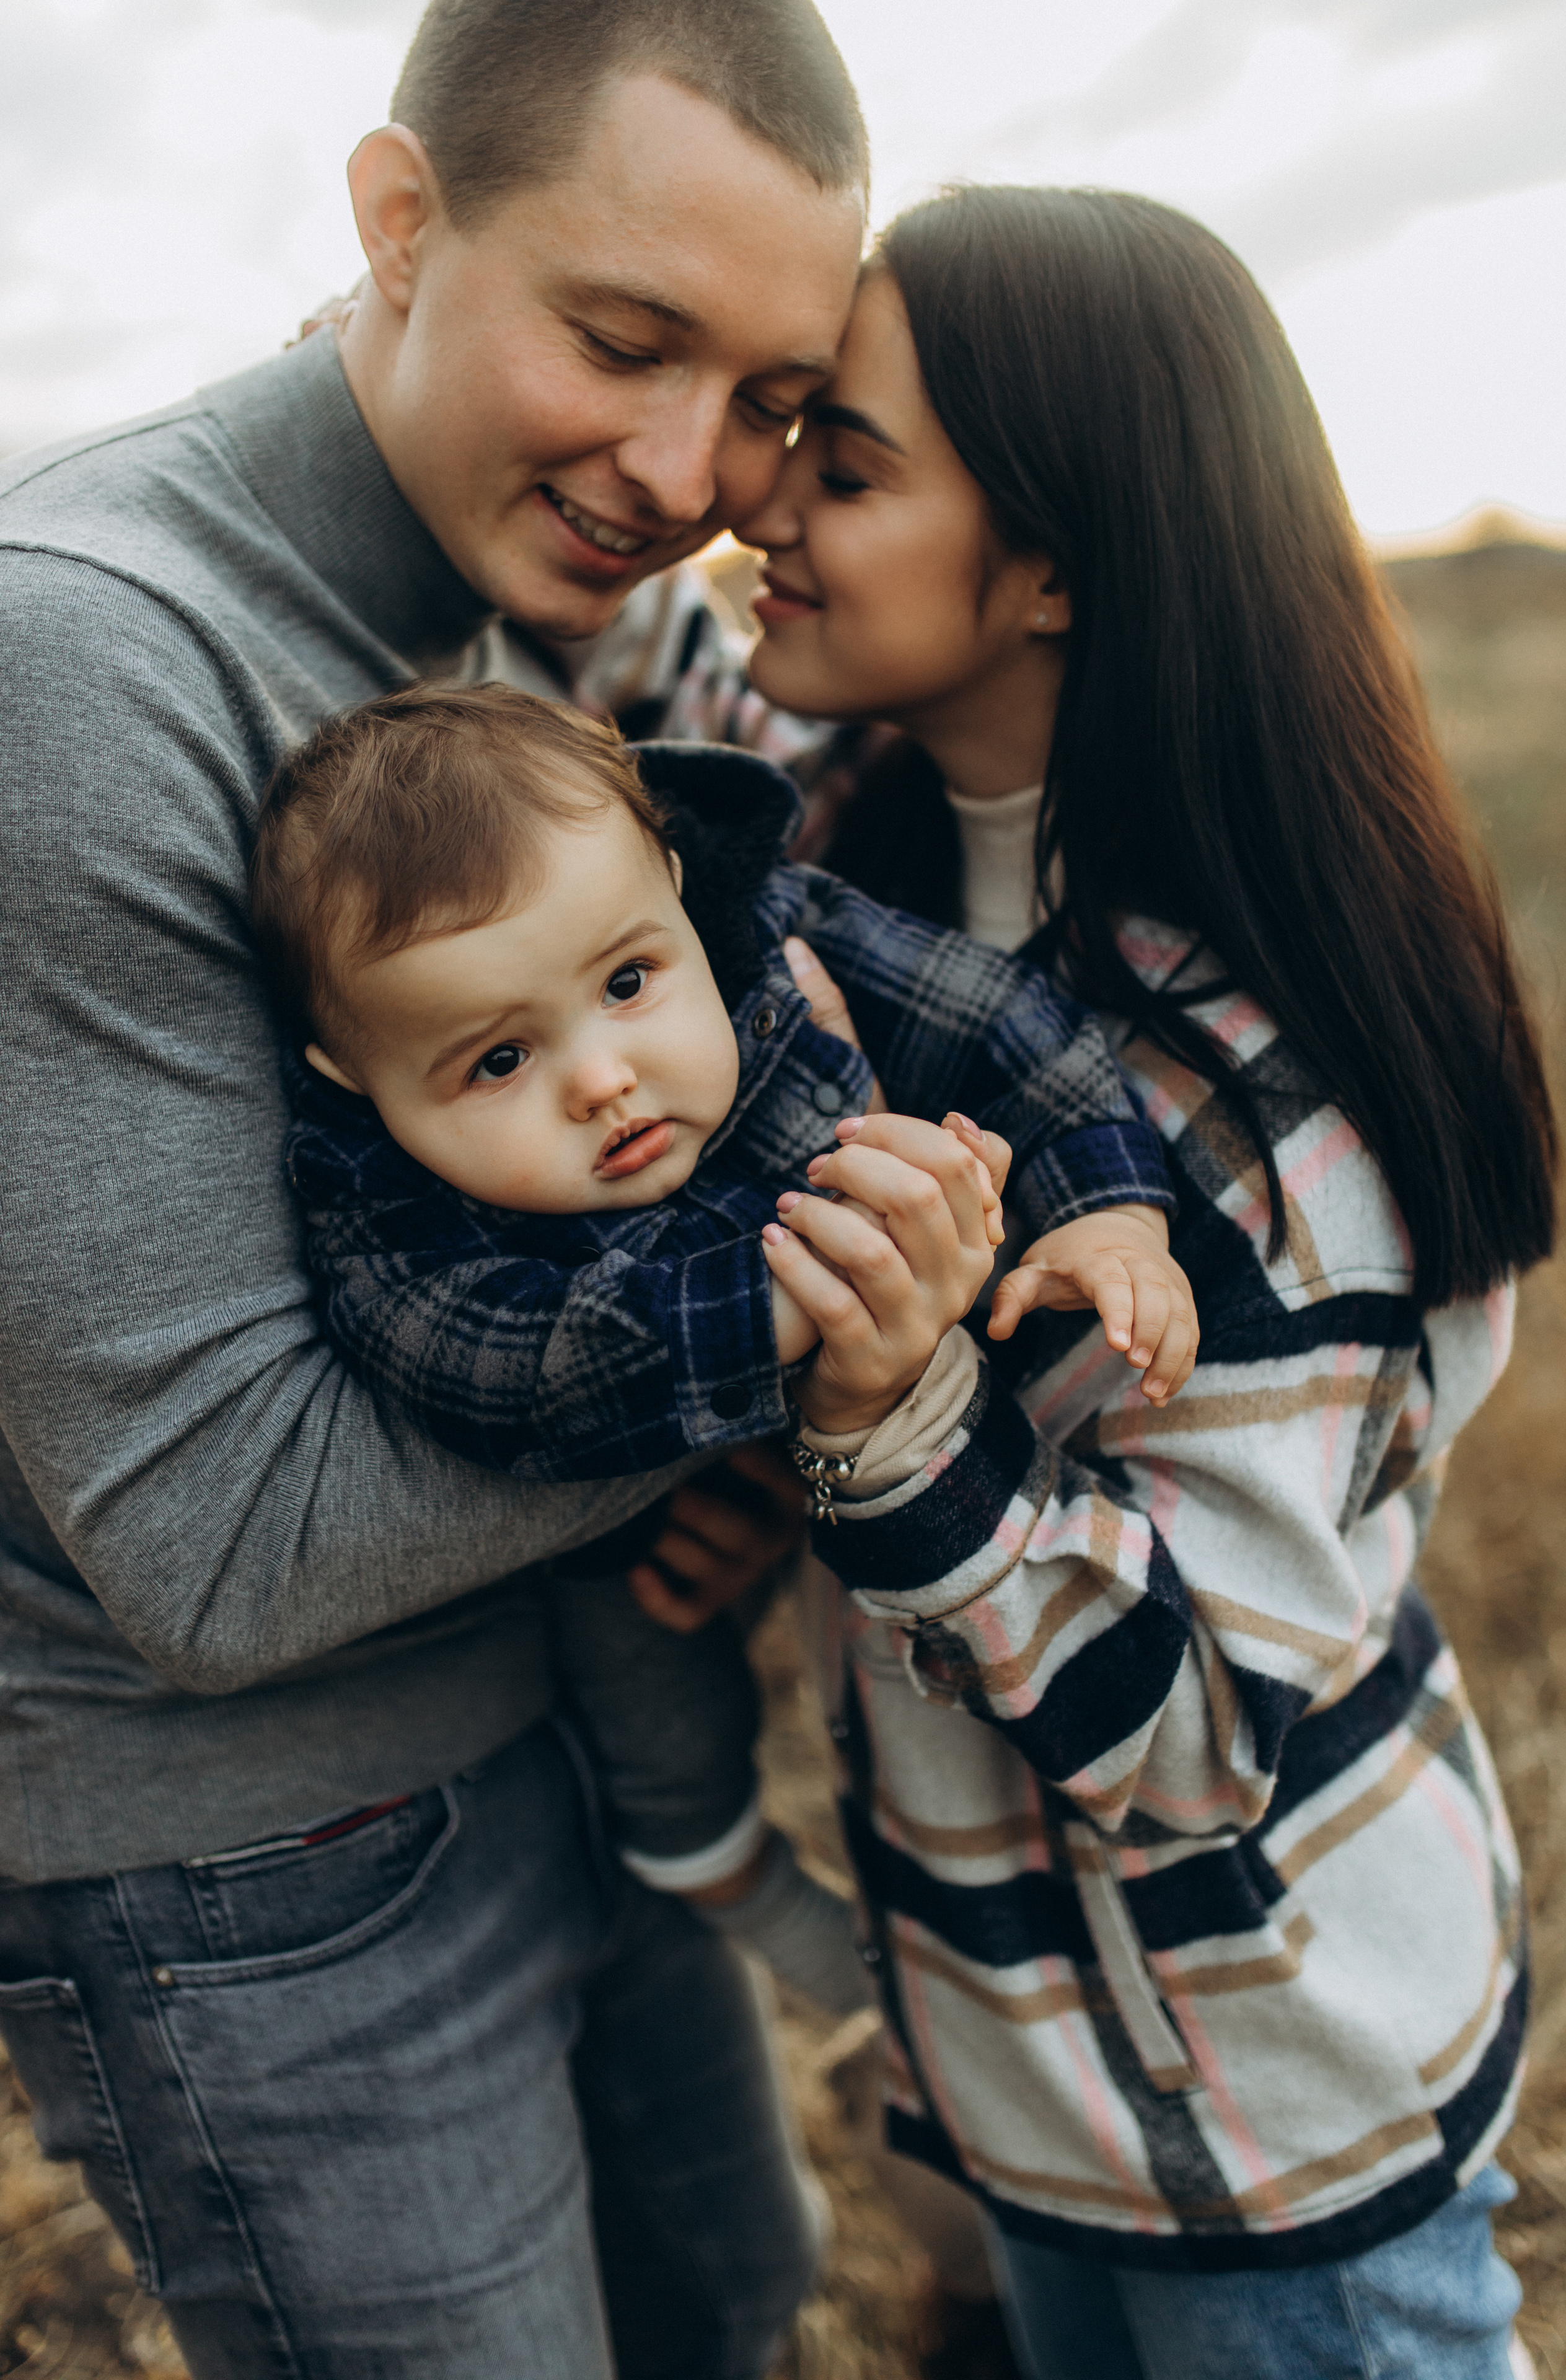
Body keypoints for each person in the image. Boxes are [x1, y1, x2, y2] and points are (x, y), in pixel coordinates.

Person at [0, 5, 888, 2373]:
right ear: (400, 226)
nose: (688, 470)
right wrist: (806, 1359)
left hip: (573, 1714)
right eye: (623, 338)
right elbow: (214, 1541)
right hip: (267, 1859)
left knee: (738, 2301)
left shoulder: (545, 597)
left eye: (770, 395)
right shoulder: (76, 663)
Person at [724, 187, 1555, 2378]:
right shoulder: (854, 889)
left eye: (844, 467)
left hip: (1272, 2131)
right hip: (1025, 2081)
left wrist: (887, 1434)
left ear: (1060, 567)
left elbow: (1187, 1745)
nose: (757, 506)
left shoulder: (1251, 1116)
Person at [247, 681, 1194, 2007]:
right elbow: (513, 1372)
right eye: (498, 1062)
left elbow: (993, 1019)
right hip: (627, 1516)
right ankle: (715, 1859)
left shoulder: (772, 933)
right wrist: (811, 1291)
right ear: (357, 1078)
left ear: (680, 895)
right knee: (646, 1672)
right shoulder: (376, 1203)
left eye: (628, 983)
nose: (601, 1078)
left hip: (869, 1487)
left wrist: (1110, 1211)